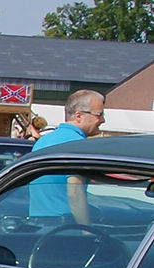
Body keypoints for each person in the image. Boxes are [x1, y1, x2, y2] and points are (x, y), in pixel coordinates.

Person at [28, 89, 105, 224]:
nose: (103, 120)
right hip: (64, 225)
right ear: (78, 116)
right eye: (99, 114)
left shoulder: (43, 141)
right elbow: (74, 192)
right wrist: (86, 229)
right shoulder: (79, 145)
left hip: (37, 222)